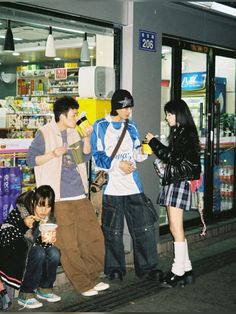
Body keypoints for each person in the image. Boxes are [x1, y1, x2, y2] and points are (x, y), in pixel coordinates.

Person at [26, 96, 108, 297]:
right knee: (68, 244)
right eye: (73, 114)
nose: (76, 117)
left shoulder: (74, 133)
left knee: (93, 238)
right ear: (62, 115)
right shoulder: (44, 133)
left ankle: (93, 277)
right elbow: (30, 160)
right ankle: (82, 283)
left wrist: (87, 138)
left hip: (79, 195)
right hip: (59, 199)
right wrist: (53, 154)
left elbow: (85, 157)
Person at [91, 89, 162, 282]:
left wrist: (144, 150)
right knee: (112, 231)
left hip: (133, 186)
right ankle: (114, 269)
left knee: (144, 229)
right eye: (126, 108)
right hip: (111, 187)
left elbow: (136, 154)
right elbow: (97, 158)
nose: (129, 111)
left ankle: (148, 268)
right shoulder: (100, 126)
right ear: (116, 106)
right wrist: (117, 165)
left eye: (130, 107)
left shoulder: (132, 127)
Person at [146, 99, 201, 288]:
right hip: (178, 182)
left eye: (169, 113)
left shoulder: (184, 134)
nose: (166, 117)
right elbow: (174, 155)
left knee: (175, 228)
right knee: (177, 228)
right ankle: (187, 270)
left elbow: (172, 157)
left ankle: (178, 272)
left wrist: (153, 142)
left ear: (178, 115)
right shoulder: (183, 132)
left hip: (178, 183)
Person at [0, 185, 61, 309]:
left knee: (54, 252)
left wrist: (48, 241)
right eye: (41, 205)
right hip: (15, 254)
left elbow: (40, 244)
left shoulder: (48, 219)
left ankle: (44, 289)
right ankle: (25, 293)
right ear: (33, 202)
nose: (44, 210)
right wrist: (23, 224)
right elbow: (3, 238)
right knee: (38, 252)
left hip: (32, 252)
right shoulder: (20, 212)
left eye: (48, 206)